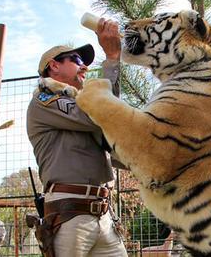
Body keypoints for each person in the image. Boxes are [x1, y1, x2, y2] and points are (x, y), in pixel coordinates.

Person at [26, 18, 128, 256]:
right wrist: (112, 60)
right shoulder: (44, 101)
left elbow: (112, 134)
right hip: (69, 211)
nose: (84, 66)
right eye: (77, 60)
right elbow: (98, 114)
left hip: (103, 214)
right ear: (54, 66)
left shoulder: (80, 105)